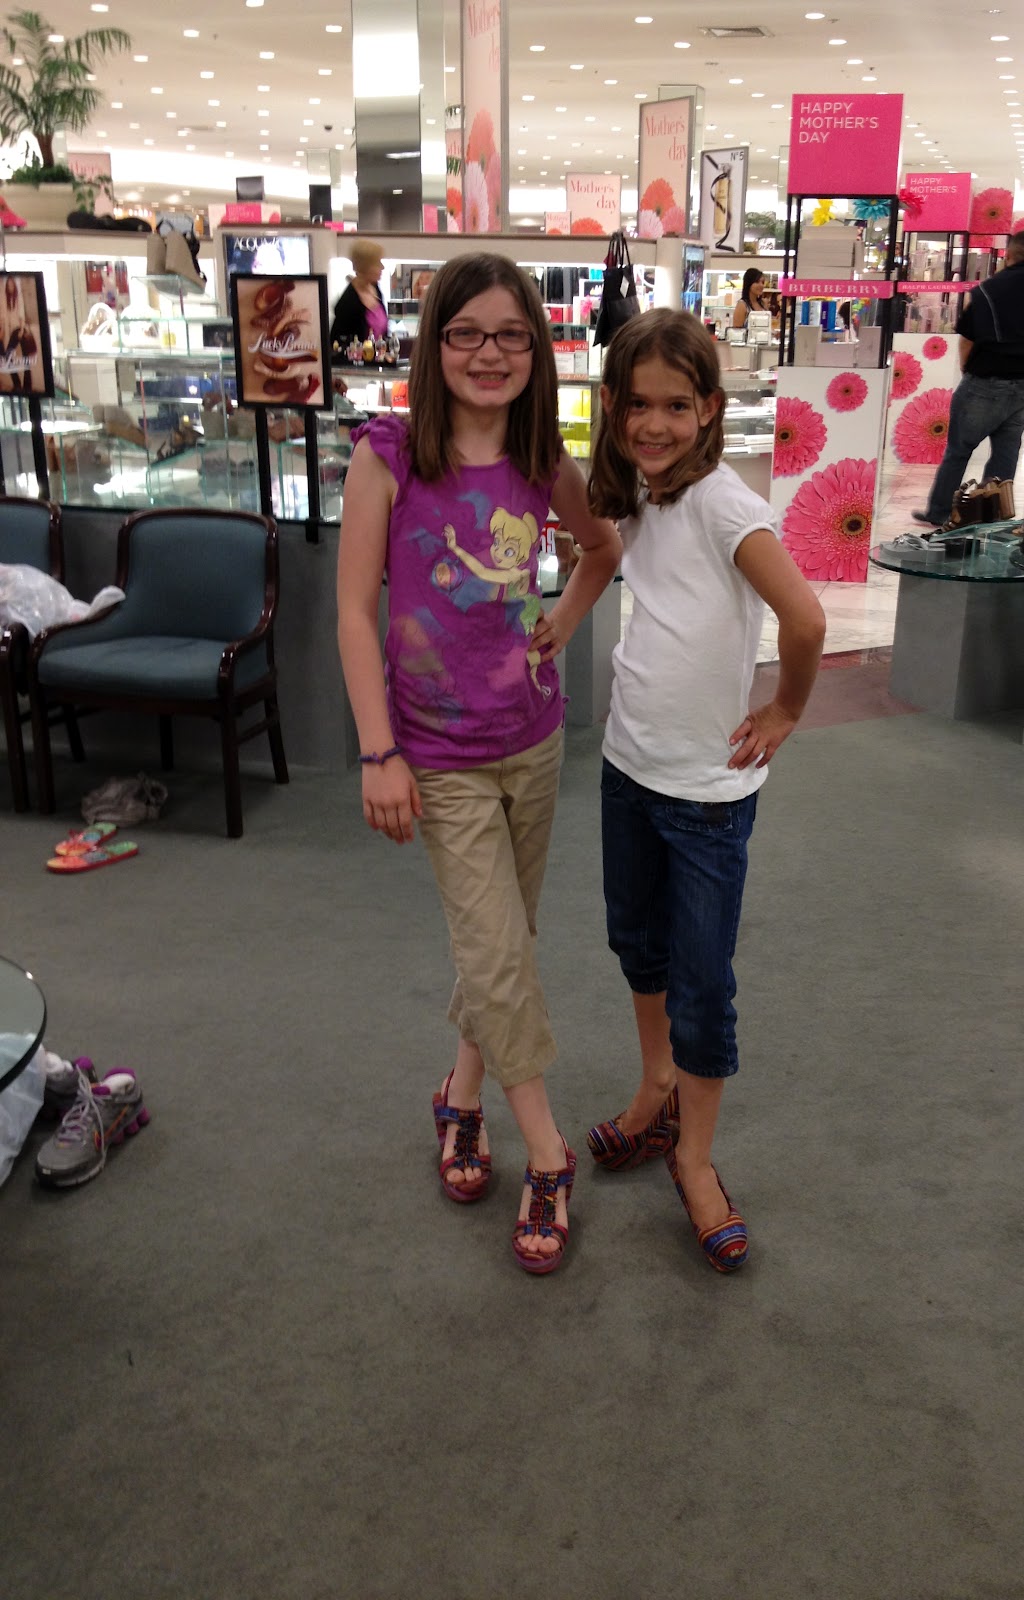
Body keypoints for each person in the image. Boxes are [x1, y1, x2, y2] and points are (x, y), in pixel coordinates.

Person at [337, 252, 622, 1274]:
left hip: (532, 742)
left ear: (536, 349)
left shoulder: (543, 460)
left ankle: (459, 1098)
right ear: (435, 344)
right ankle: (547, 1152)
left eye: (510, 335)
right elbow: (354, 612)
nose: (489, 354)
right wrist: (378, 750)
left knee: (501, 942)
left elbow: (602, 548)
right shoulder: (387, 456)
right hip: (439, 752)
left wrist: (562, 623)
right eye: (466, 333)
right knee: (498, 952)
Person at [584, 309, 827, 1272]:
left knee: (702, 982)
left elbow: (804, 617)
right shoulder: (639, 493)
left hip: (705, 797)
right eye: (638, 405)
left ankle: (694, 1155)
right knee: (636, 943)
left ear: (711, 409)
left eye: (677, 406)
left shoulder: (725, 503)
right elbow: (614, 565)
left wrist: (786, 709)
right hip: (628, 766)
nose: (655, 424)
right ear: (614, 407)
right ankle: (656, 1091)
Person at [914, 230, 1024, 528]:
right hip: (1023, 387)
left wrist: (966, 369)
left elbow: (967, 339)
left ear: (1007, 255)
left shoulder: (986, 291)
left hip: (983, 381)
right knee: (1005, 455)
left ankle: (941, 512)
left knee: (959, 451)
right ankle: (990, 515)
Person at [330, 238, 388, 349]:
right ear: (365, 267)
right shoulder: (348, 302)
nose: (382, 267)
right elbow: (339, 344)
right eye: (378, 263)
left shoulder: (376, 289)